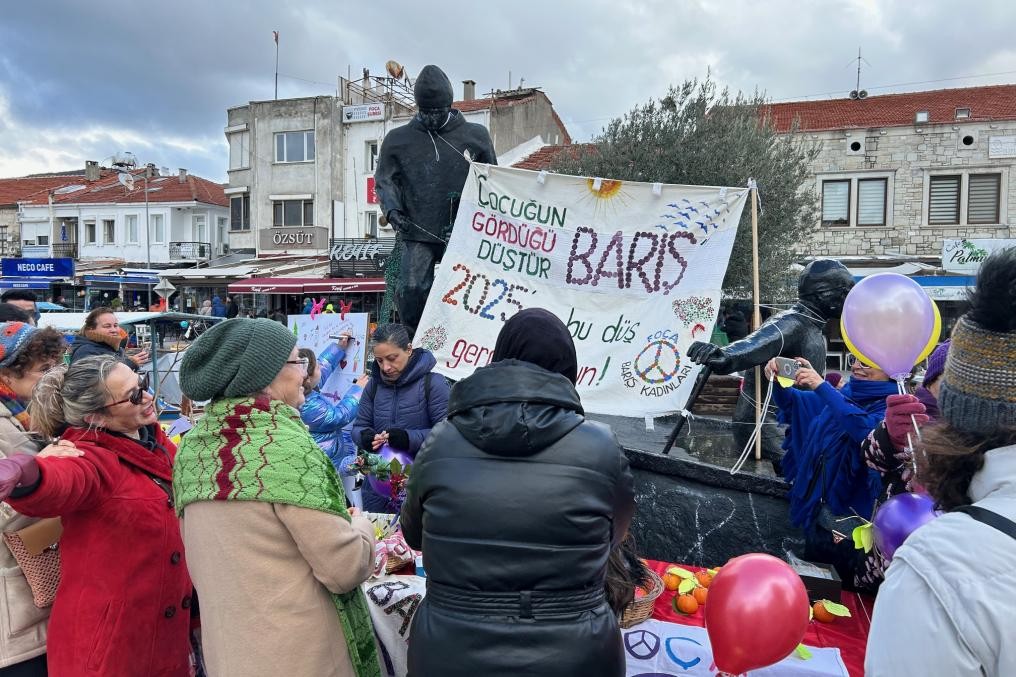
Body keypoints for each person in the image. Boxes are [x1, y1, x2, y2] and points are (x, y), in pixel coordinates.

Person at [400, 308, 635, 677]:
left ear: (499, 359)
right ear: (567, 370)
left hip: (452, 651)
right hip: (575, 654)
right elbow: (614, 536)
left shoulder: (440, 441)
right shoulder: (602, 446)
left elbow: (414, 535)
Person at [174, 318, 379, 677]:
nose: (305, 372)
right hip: (300, 655)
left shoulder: (193, 448)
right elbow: (344, 568)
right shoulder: (284, 447)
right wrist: (361, 526)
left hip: (229, 652)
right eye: (297, 361)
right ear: (265, 376)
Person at [866, 250, 1016, 677]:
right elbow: (867, 457)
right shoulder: (898, 410)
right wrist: (888, 438)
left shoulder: (938, 571)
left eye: (942, 381)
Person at [0, 355, 191, 676]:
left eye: (141, 382)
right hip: (109, 648)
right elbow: (61, 480)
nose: (147, 396)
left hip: (159, 633)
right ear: (96, 417)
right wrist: (24, 472)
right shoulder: (88, 456)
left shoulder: (155, 443)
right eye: (132, 395)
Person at [688, 260, 855, 462]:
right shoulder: (791, 323)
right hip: (763, 424)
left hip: (792, 421)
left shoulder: (814, 327)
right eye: (845, 291)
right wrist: (721, 355)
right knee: (806, 471)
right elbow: (753, 345)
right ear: (821, 293)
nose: (849, 298)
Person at [374, 64, 498, 332]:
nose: (431, 118)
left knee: (473, 288)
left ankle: (467, 339)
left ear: (449, 105)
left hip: (465, 229)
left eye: (437, 112)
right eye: (426, 112)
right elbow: (384, 179)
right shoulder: (398, 139)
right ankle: (417, 341)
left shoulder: (476, 136)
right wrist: (394, 212)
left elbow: (495, 181)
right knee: (411, 288)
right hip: (418, 229)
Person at [765, 352, 898, 586]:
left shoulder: (894, 410)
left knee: (844, 601)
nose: (857, 366)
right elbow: (794, 403)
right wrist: (780, 381)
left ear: (892, 369)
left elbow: (865, 430)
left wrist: (820, 385)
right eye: (854, 359)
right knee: (815, 593)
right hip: (819, 517)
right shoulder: (845, 394)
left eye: (866, 362)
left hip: (856, 531)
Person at [853, 341, 949, 592]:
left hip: (944, 576)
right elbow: (869, 454)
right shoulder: (911, 411)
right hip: (884, 560)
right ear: (930, 382)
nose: (856, 367)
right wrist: (892, 438)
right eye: (946, 379)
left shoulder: (979, 438)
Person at [0, 323, 67, 676]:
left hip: (30, 588)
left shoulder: (22, 414)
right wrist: (44, 471)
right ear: (8, 373)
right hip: (13, 605)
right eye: (44, 369)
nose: (54, 376)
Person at [352, 323, 449, 512]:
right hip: (376, 489)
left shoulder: (434, 384)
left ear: (409, 349)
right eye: (379, 361)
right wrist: (366, 437)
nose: (386, 367)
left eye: (392, 358)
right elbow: (358, 427)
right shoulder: (373, 386)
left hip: (421, 487)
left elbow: (448, 434)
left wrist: (408, 438)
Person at [299, 337, 369, 470]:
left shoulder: (302, 388)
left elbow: (322, 369)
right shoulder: (308, 406)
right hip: (324, 461)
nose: (320, 367)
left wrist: (338, 348)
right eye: (317, 367)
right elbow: (340, 416)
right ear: (307, 379)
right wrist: (357, 390)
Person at [69, 307, 149, 371]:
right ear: (91, 329)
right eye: (107, 326)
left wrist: (131, 361)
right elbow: (97, 380)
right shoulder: (85, 351)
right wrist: (131, 363)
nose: (114, 330)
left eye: (115, 325)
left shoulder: (114, 348)